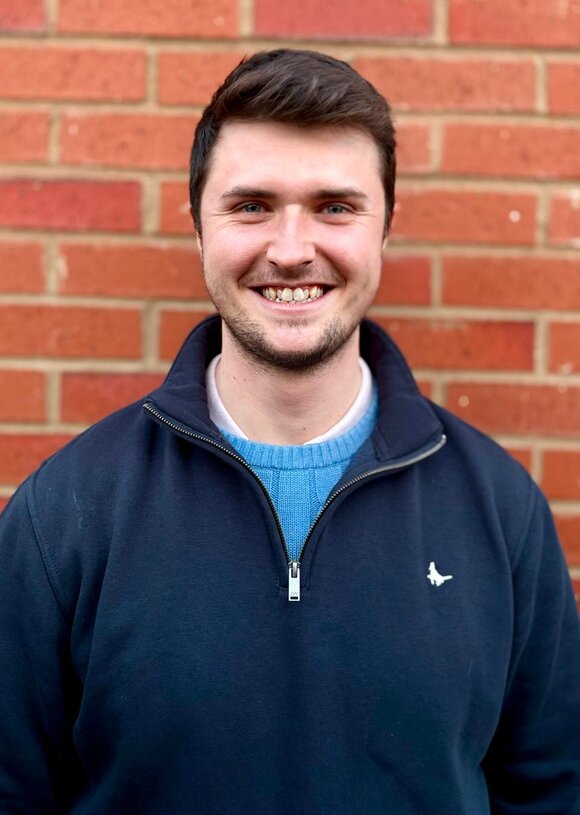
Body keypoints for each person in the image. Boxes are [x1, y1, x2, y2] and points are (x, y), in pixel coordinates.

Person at [0, 49, 579, 815]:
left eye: (335, 207)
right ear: (198, 228)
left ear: (386, 228)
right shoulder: (65, 514)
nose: (292, 248)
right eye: (252, 206)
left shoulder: (500, 510)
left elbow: (551, 790)